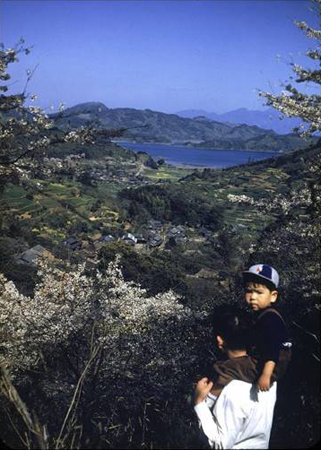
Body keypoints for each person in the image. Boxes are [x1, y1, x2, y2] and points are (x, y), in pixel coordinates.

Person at [194, 307, 277, 449]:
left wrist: (198, 403)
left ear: (219, 340)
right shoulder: (269, 379)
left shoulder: (232, 390)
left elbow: (220, 445)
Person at [242, 264, 292, 391]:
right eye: (249, 291)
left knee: (225, 368)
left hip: (270, 366)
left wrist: (266, 375)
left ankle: (208, 399)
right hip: (267, 362)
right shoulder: (264, 315)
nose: (252, 297)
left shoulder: (270, 318)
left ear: (273, 296)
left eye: (259, 292)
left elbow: (273, 348)